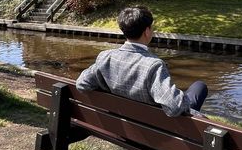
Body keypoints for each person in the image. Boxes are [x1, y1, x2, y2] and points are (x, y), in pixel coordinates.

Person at [76, 6, 208, 117]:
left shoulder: (106, 57)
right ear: (147, 31)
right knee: (199, 87)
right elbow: (174, 107)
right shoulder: (154, 65)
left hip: (121, 124)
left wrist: (109, 86)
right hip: (154, 131)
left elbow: (82, 84)